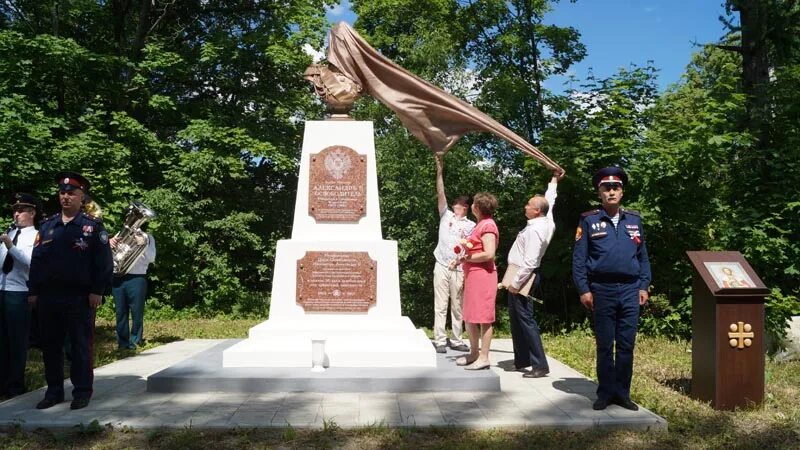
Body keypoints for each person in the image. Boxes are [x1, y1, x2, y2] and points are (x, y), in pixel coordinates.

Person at [27, 171, 113, 410]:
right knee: (50, 346)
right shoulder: (47, 226)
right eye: (62, 193)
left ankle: (82, 392)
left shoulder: (92, 227)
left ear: (81, 196)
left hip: (80, 297)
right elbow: (37, 261)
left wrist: (98, 290)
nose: (66, 197)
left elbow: (104, 263)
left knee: (79, 346)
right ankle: (54, 392)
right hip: (48, 297)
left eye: (71, 193)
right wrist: (33, 291)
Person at [572, 167, 651, 411]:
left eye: (616, 187)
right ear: (599, 193)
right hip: (602, 289)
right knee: (605, 345)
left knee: (626, 344)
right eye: (606, 188)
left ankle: (622, 394)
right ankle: (605, 393)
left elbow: (643, 257)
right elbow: (579, 258)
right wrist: (584, 289)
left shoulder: (634, 221)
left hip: (630, 289)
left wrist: (644, 285)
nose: (611, 191)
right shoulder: (589, 220)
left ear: (622, 192)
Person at [506, 169, 564, 379]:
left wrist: (516, 283)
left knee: (525, 319)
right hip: (520, 274)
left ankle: (539, 365)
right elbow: (550, 201)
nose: (525, 207)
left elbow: (529, 262)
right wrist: (554, 181)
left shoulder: (535, 231)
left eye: (529, 205)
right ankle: (522, 359)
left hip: (523, 276)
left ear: (536, 211)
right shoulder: (545, 221)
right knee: (516, 318)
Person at [431, 153, 475, 353]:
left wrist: (460, 262)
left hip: (458, 267)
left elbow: (471, 247)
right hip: (441, 263)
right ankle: (440, 339)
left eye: (461, 205)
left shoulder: (471, 225)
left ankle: (456, 339)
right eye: (456, 204)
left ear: (465, 208)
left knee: (457, 305)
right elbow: (440, 194)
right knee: (440, 304)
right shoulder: (445, 215)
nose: (457, 207)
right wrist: (439, 171)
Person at [0, 193, 40, 397]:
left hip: (19, 293)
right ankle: (3, 382)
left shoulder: (36, 236)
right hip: (2, 290)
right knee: (3, 341)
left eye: (21, 210)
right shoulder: (9, 232)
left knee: (17, 342)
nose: (16, 214)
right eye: (15, 210)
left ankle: (15, 386)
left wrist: (10, 247)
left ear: (32, 213)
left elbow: (31, 263)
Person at [456, 192, 499, 370]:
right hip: (473, 275)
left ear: (477, 207)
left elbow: (489, 254)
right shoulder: (480, 224)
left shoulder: (488, 225)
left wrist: (467, 259)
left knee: (483, 317)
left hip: (483, 276)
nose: (472, 205)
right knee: (470, 316)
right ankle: (474, 353)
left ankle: (484, 357)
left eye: (473, 203)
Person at [111, 225, 156, 350]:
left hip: (137, 277)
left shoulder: (148, 238)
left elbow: (152, 258)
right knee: (120, 312)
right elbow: (112, 256)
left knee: (137, 311)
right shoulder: (120, 234)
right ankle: (123, 342)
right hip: (118, 276)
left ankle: (136, 340)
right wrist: (111, 246)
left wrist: (143, 245)